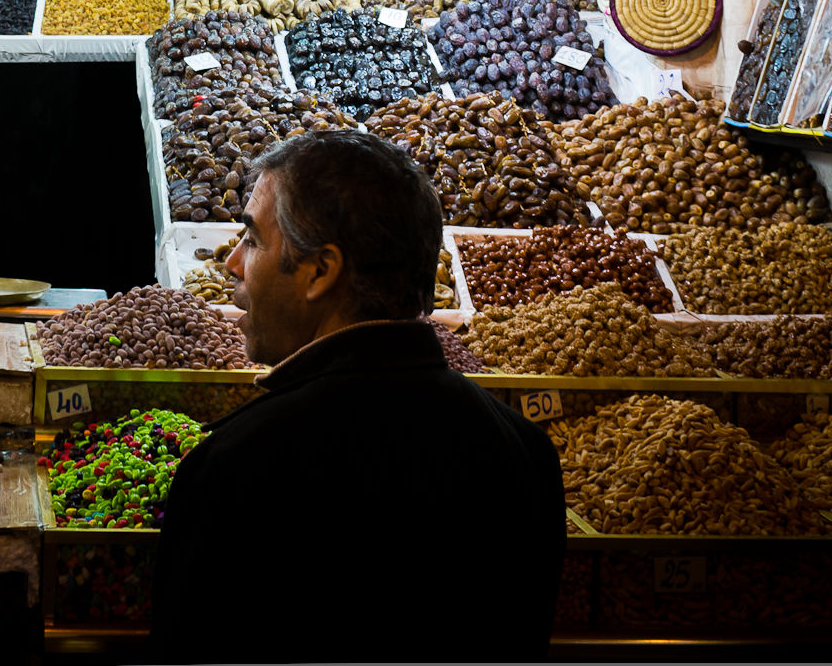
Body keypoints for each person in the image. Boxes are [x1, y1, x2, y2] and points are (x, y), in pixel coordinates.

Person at [150, 132, 562, 663]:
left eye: (252, 240)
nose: (232, 262)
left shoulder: (239, 465)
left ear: (320, 272)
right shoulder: (525, 452)